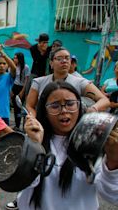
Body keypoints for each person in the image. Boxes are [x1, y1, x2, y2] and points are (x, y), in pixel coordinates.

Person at [17, 80, 118, 209]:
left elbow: (113, 195)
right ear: (45, 111)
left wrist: (114, 162)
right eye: (55, 106)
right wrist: (35, 146)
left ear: (80, 107)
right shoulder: (32, 138)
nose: (64, 110)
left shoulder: (95, 142)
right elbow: (20, 183)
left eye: (70, 104)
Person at [26, 47, 109, 116]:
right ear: (51, 63)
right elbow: (30, 105)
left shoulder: (80, 82)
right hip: (44, 128)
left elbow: (104, 100)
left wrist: (93, 108)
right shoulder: (39, 82)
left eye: (67, 58)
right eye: (59, 58)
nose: (64, 61)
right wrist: (33, 118)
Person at [11, 52, 30, 130]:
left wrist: (22, 91)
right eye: (14, 57)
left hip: (21, 87)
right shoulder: (14, 66)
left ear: (19, 59)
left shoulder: (25, 67)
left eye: (16, 58)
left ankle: (21, 126)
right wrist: (11, 89)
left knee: (19, 107)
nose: (14, 59)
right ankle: (17, 125)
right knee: (15, 107)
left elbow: (26, 80)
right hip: (14, 86)